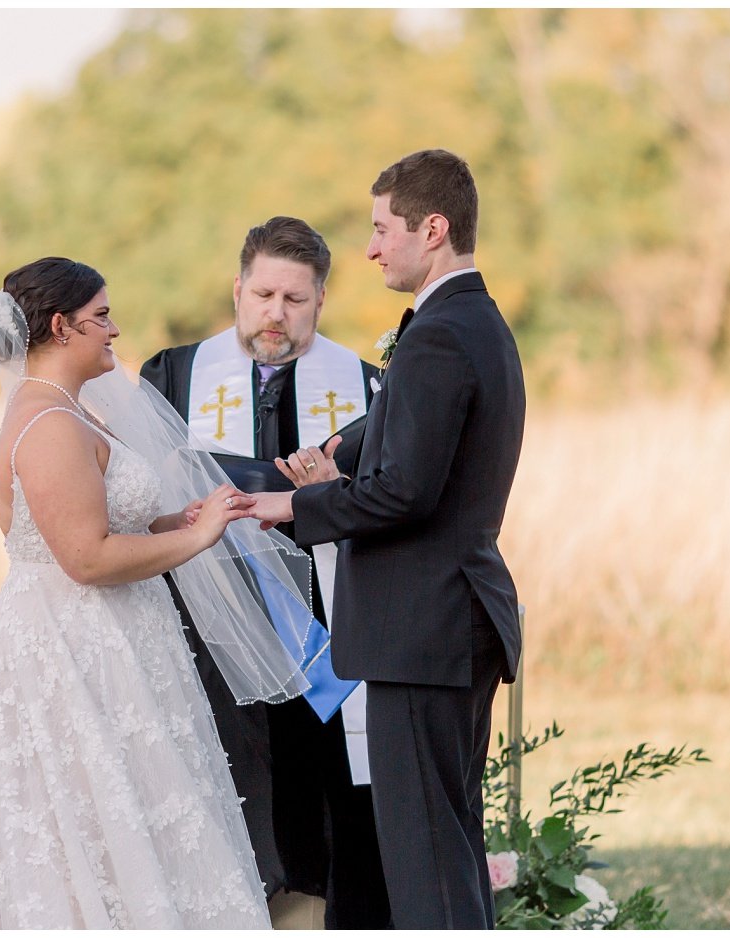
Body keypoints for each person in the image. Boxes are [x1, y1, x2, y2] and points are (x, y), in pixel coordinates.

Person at [0, 257, 316, 928]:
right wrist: (194, 543)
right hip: (70, 651)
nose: (114, 329)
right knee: (87, 827)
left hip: (119, 641)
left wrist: (184, 520)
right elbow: (85, 557)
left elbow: (111, 523)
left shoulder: (76, 413)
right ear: (60, 326)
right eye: (100, 316)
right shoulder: (47, 426)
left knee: (141, 814)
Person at [247, 150, 526, 929]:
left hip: (425, 628)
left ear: (431, 229)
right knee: (448, 847)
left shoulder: (440, 335)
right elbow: (415, 434)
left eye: (381, 229)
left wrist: (296, 508)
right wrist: (347, 445)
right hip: (450, 621)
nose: (370, 249)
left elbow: (407, 491)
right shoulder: (471, 321)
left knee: (425, 863)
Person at [141, 217, 390, 928]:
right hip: (209, 633)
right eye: (263, 294)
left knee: (325, 788)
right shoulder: (175, 375)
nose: (276, 314)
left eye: (296, 300)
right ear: (238, 289)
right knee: (223, 777)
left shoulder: (370, 389)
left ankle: (317, 911)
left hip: (325, 629)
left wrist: (332, 493)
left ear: (320, 302)